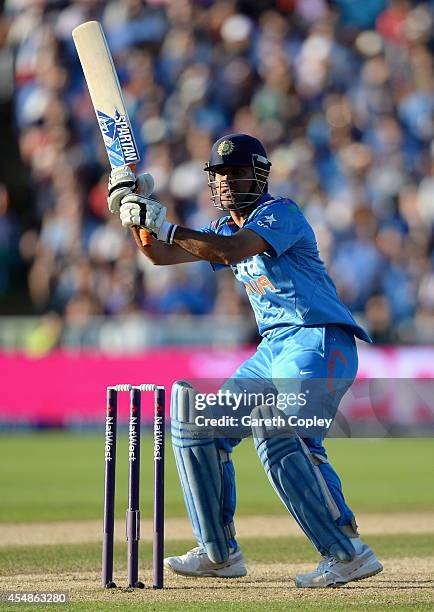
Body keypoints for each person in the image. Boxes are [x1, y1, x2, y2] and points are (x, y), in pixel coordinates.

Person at [107, 133, 383, 587]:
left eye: (238, 174)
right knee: (199, 426)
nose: (229, 183)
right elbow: (158, 255)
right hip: (272, 347)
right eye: (221, 176)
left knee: (286, 436)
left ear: (260, 176)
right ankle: (219, 553)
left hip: (317, 339)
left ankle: (347, 552)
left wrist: (167, 225)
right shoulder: (220, 229)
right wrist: (132, 209)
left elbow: (231, 252)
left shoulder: (281, 213)